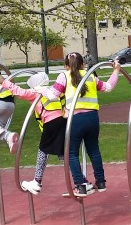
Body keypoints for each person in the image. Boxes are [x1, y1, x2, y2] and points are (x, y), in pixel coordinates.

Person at [39, 52, 120, 197]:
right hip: (92, 118)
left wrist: (39, 89)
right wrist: (116, 71)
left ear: (66, 66)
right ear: (82, 64)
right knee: (94, 150)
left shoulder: (64, 76)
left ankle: (80, 185)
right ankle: (100, 182)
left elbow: (52, 95)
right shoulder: (90, 76)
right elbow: (108, 87)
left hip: (75, 119)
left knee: (70, 153)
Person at [0, 72, 66, 195]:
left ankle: (37, 181)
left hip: (51, 123)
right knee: (62, 153)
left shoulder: (37, 92)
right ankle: (79, 179)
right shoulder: (52, 91)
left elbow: (20, 92)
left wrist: (4, 82)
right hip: (63, 122)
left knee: (43, 151)